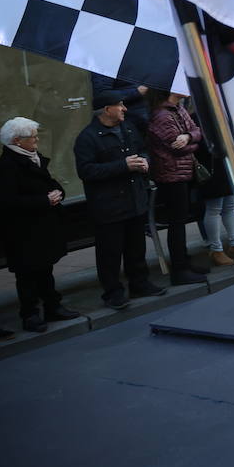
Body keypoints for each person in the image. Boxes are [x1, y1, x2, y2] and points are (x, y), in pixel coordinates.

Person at [74, 91, 165, 310]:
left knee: (136, 247)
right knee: (110, 253)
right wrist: (123, 166)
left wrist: (144, 161)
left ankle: (139, 283)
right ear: (106, 110)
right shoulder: (87, 138)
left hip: (134, 199)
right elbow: (86, 171)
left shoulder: (128, 128)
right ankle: (113, 293)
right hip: (108, 206)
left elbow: (143, 150)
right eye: (120, 105)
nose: (125, 108)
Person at [0, 118, 81, 333]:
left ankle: (52, 306)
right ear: (17, 141)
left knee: (45, 269)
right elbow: (8, 202)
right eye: (32, 136)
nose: (36, 139)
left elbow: (50, 183)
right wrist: (45, 200)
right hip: (23, 231)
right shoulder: (7, 166)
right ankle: (30, 314)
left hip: (42, 227)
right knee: (27, 275)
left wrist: (57, 193)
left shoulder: (32, 158)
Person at [145, 90, 208, 285]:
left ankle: (184, 263)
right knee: (177, 223)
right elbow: (175, 146)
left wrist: (188, 137)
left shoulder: (178, 109)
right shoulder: (162, 115)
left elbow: (198, 131)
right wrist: (193, 142)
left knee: (181, 219)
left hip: (183, 172)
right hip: (171, 175)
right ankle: (179, 270)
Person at [199, 144, 234, 267]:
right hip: (210, 161)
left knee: (229, 204)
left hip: (222, 159)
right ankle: (217, 250)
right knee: (215, 207)